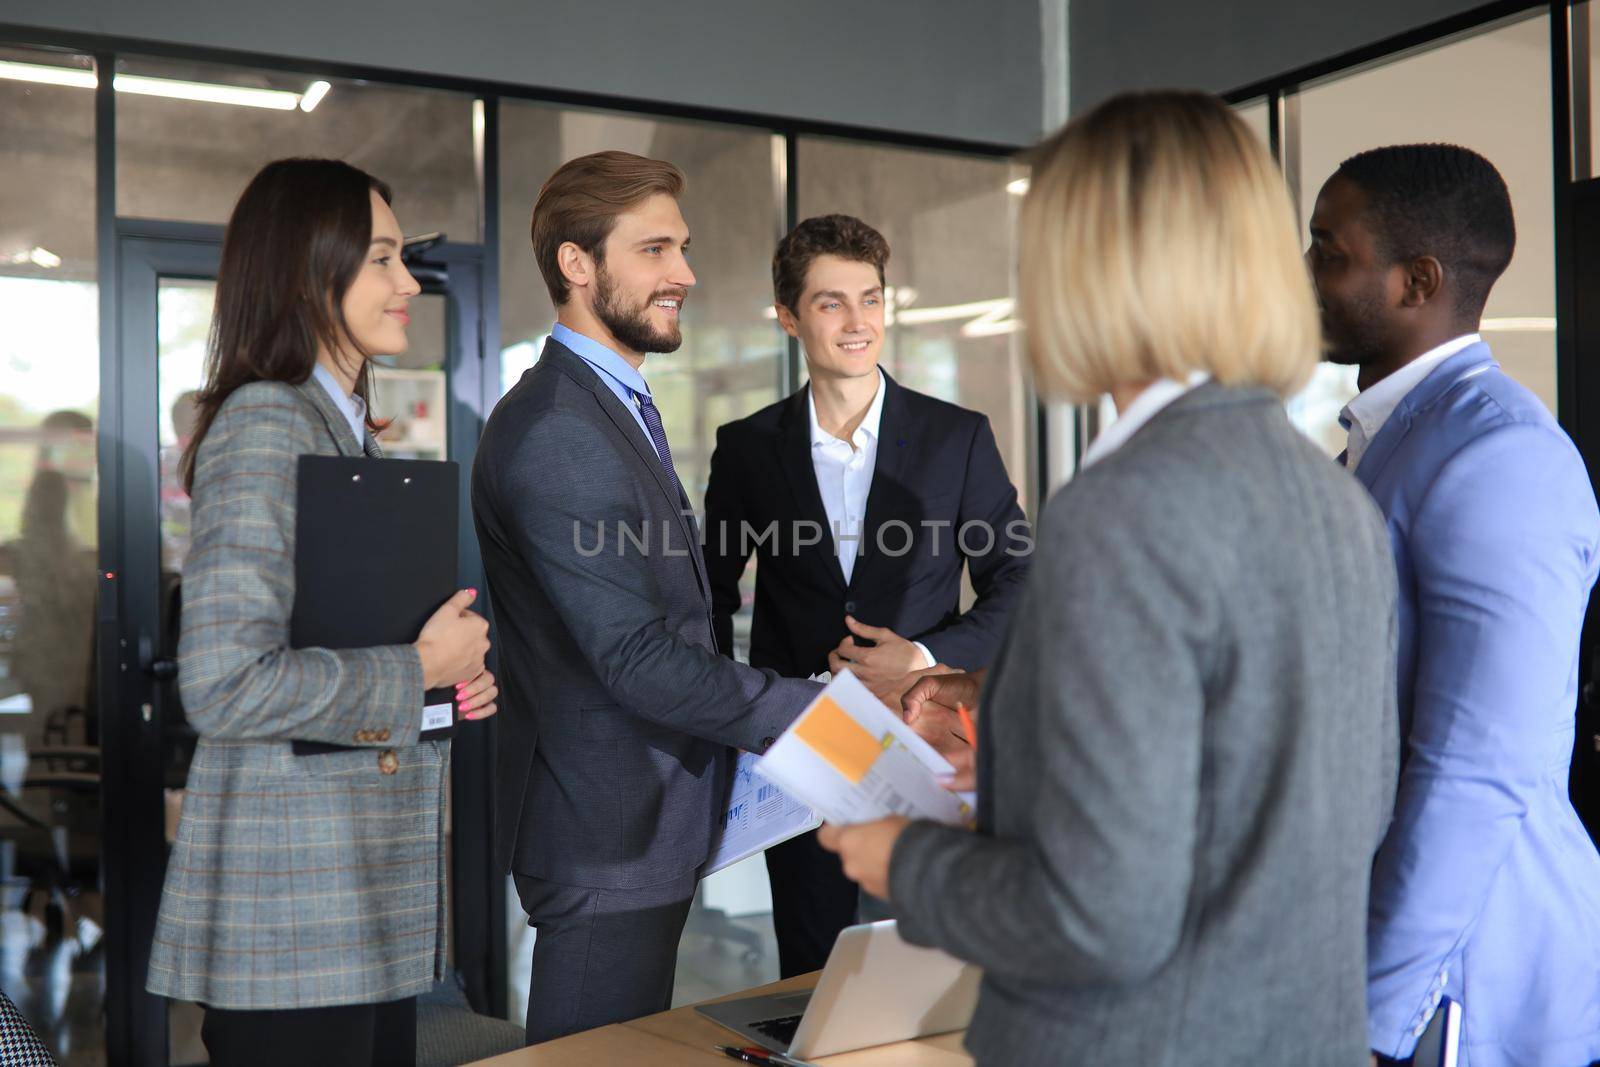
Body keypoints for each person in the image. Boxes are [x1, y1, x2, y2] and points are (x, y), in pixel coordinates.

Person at [819, 90, 1400, 1065]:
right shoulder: (1330, 493)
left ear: (1087, 266)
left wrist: (903, 858)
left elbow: (1098, 916)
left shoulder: (1122, 508)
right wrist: (1019, 748)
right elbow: (1288, 789)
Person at [145, 158, 498, 1067]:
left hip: (348, 916)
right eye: (380, 258)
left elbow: (342, 648)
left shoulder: (338, 428)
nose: (408, 282)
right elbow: (224, 684)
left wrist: (446, 685)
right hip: (296, 923)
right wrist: (418, 668)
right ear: (312, 271)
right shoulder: (271, 421)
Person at [471, 150, 819, 1044]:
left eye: (684, 247)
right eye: (656, 249)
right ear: (576, 265)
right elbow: (636, 657)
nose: (686, 274)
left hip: (639, 828)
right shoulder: (560, 431)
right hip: (603, 837)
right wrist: (815, 710)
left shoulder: (610, 405)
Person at [1307, 144, 1600, 1067]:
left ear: (1417, 280)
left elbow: (1479, 768)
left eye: (1328, 250)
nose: (1303, 273)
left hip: (1458, 989)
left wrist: (1367, 1016)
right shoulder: (1382, 442)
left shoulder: (1499, 455)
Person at [703, 213, 1030, 977]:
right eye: (830, 303)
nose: (858, 323)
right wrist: (738, 719)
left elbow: (1020, 582)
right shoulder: (747, 448)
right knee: (812, 968)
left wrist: (923, 654)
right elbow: (710, 596)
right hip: (803, 745)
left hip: (928, 739)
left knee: (933, 964)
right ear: (788, 317)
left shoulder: (958, 438)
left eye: (871, 299)